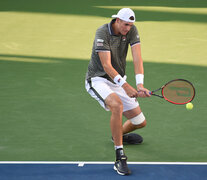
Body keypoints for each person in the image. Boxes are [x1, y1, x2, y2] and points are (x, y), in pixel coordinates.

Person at [85, 8, 150, 175]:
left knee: (139, 122)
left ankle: (117, 135)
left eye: (131, 25)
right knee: (117, 105)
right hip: (98, 79)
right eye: (126, 24)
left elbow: (137, 57)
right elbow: (106, 65)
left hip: (117, 80)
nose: (128, 28)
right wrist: (126, 86)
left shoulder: (131, 30)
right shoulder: (102, 32)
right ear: (117, 20)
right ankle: (119, 156)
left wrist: (140, 84)